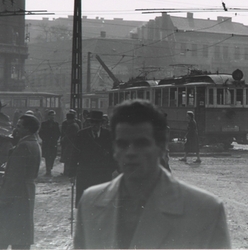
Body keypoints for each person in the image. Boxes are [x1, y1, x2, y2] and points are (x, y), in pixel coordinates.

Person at [74, 100, 231, 249]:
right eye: (122, 144)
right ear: (114, 149)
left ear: (161, 147)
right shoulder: (90, 202)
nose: (130, 153)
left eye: (141, 143)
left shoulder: (205, 210)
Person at [0, 114, 42, 250]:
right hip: (26, 195)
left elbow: (14, 178)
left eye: (19, 126)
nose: (15, 128)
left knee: (1, 237)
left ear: (28, 129)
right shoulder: (34, 143)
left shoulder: (23, 146)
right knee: (21, 236)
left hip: (13, 200)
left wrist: (3, 201)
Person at [69, 110, 116, 207]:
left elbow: (114, 154)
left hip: (103, 173)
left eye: (97, 122)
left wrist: (110, 170)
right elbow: (74, 155)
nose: (94, 125)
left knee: (102, 203)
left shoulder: (108, 135)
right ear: (89, 123)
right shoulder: (81, 134)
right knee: (85, 202)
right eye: (92, 122)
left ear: (101, 123)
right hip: (85, 173)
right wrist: (72, 173)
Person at [38, 110, 61, 177]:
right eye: (51, 115)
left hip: (53, 142)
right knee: (47, 156)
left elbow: (58, 133)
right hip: (46, 142)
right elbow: (40, 133)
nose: (52, 117)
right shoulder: (44, 124)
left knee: (53, 155)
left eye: (53, 116)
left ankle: (50, 167)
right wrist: (44, 139)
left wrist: (55, 139)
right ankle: (48, 170)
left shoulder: (56, 124)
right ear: (48, 116)